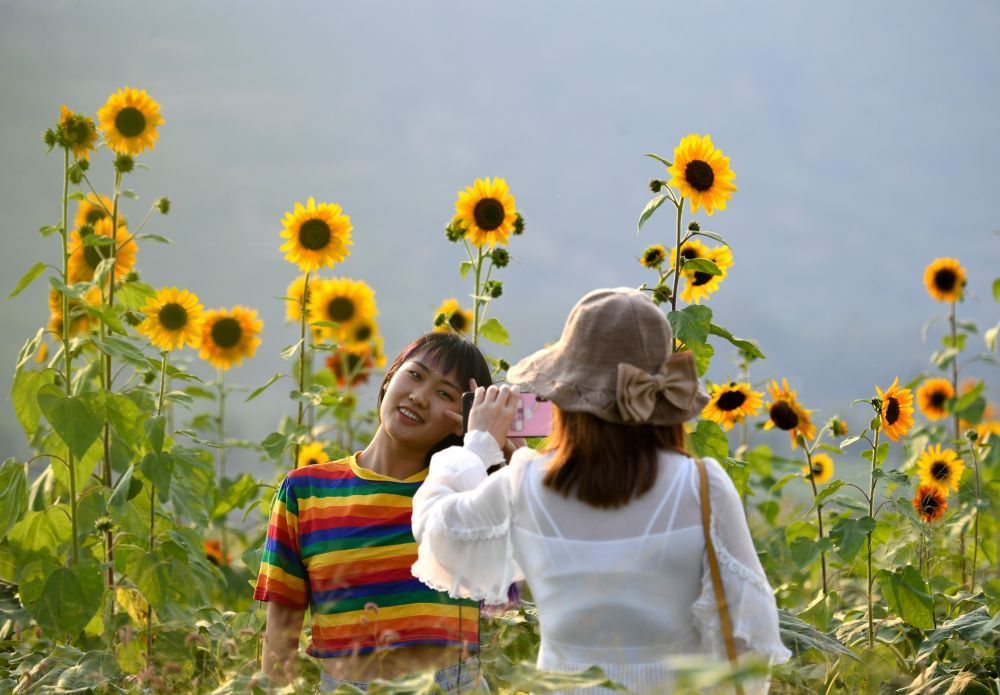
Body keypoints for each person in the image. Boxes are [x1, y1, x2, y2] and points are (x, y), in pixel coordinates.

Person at [411, 287, 792, 694]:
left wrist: (479, 445)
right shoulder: (701, 485)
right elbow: (748, 634)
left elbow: (436, 529)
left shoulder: (525, 483)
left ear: (565, 393)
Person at [253, 332, 494, 693]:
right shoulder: (306, 491)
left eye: (444, 394)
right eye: (414, 375)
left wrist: (493, 444)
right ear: (390, 376)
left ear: (460, 418)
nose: (420, 396)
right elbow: (280, 632)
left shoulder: (463, 492)